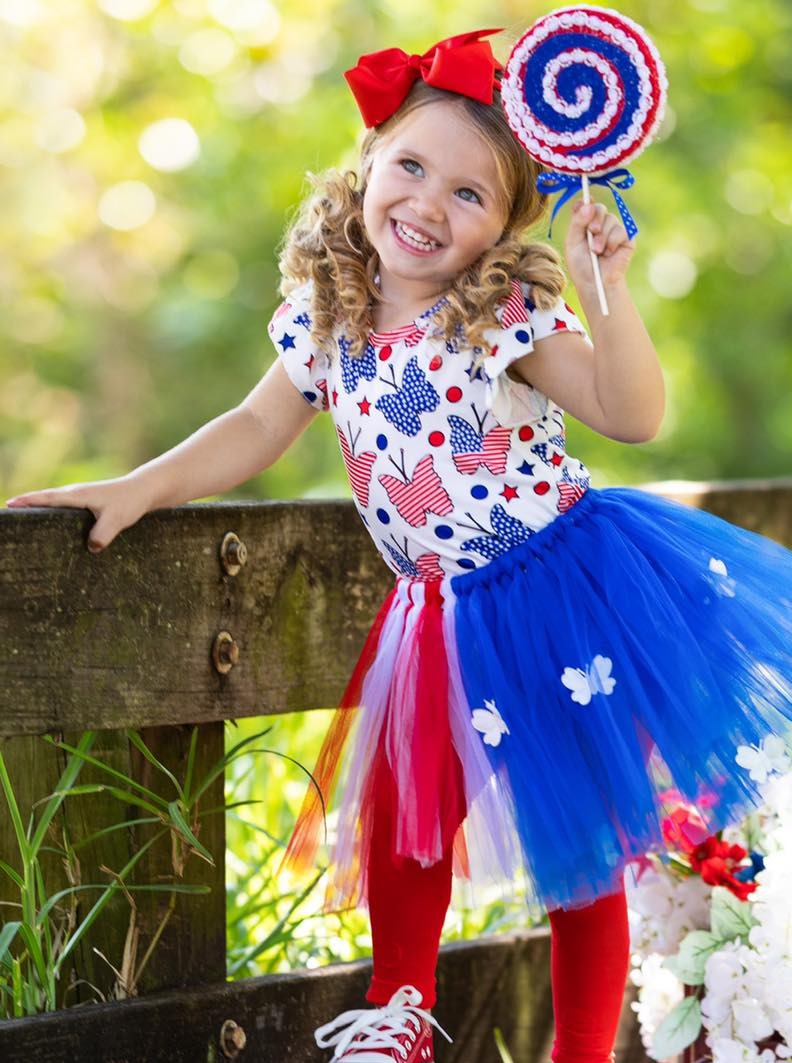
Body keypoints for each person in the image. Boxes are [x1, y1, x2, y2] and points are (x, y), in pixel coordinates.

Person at [7, 26, 792, 1063]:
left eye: (470, 195)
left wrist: (610, 287)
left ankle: (584, 1052)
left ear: (506, 226)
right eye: (412, 166)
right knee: (408, 814)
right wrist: (137, 486)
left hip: (556, 589)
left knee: (581, 842)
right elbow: (251, 428)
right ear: (368, 163)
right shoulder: (325, 317)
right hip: (435, 608)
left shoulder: (501, 313)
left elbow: (630, 411)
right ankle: (398, 1011)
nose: (427, 204)